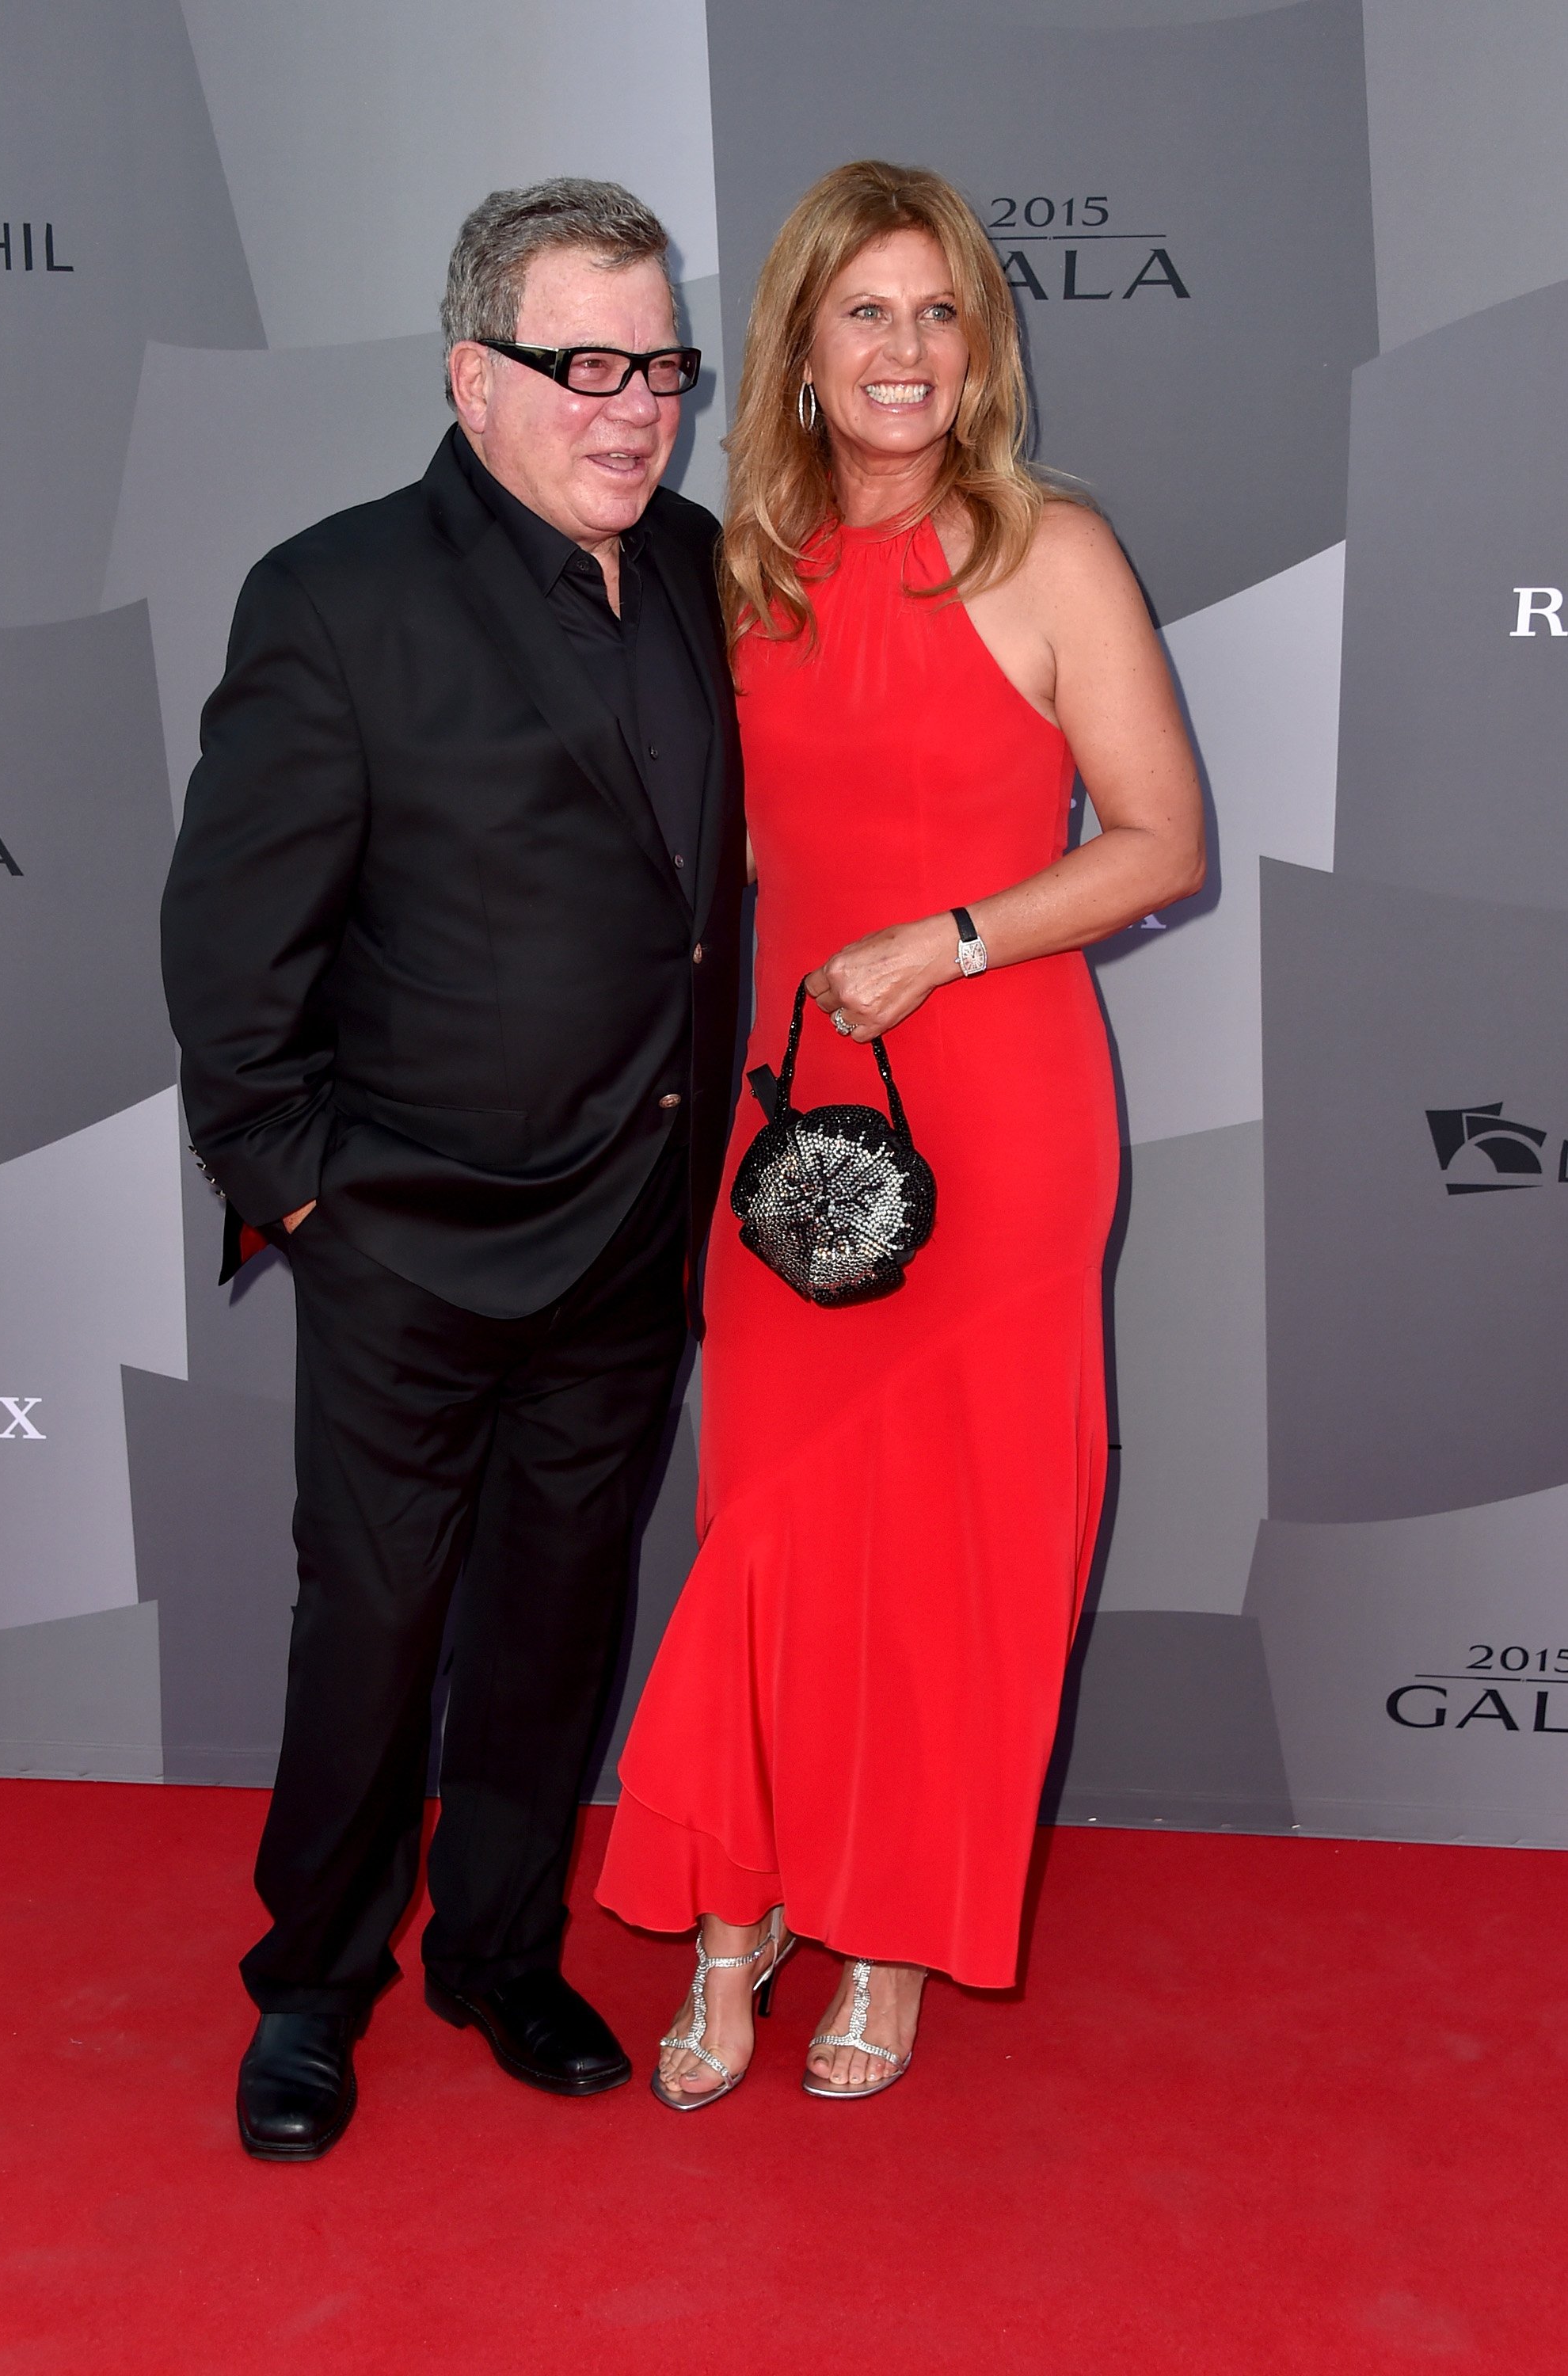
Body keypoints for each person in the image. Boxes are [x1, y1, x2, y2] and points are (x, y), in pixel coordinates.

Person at [596, 159, 1205, 2104]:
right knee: (771, 1524)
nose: (908, 351)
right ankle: (736, 1910)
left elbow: (1158, 844)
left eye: (940, 314)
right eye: (868, 311)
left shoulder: (1054, 553)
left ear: (981, 348)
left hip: (1001, 1101)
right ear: (796, 344)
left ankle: (889, 1934)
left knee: (955, 1546)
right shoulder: (733, 574)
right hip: (797, 1121)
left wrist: (950, 938)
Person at [161, 178, 744, 2159]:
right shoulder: (333, 597)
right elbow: (235, 960)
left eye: (659, 362)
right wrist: (315, 1197)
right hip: (408, 1240)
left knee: (555, 1625)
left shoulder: (695, 569)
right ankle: (308, 1989)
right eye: (582, 364)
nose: (631, 406)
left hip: (632, 1238)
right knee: (376, 1630)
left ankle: (496, 1950)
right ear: (468, 374)